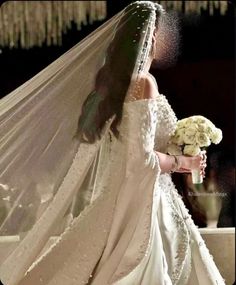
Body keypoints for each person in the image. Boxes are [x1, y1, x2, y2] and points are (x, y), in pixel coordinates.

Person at [0, 1, 225, 284]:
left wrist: (180, 152)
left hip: (125, 193)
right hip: (144, 201)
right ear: (151, 36)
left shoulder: (113, 83)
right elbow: (140, 159)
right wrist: (184, 162)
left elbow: (136, 149)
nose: (166, 38)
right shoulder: (144, 83)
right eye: (160, 31)